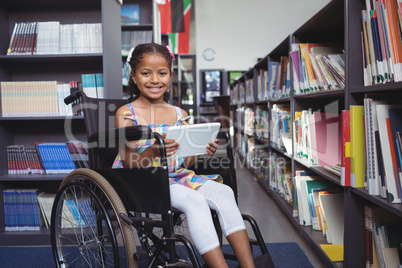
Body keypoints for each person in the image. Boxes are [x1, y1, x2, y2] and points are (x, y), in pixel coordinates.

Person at [114, 43, 255, 268]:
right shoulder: (126, 113)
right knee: (195, 201)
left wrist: (200, 150)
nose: (154, 80)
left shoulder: (180, 114)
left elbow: (186, 162)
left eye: (162, 73)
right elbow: (129, 162)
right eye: (145, 73)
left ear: (170, 75)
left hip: (177, 176)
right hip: (144, 180)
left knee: (224, 192)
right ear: (133, 76)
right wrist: (153, 151)